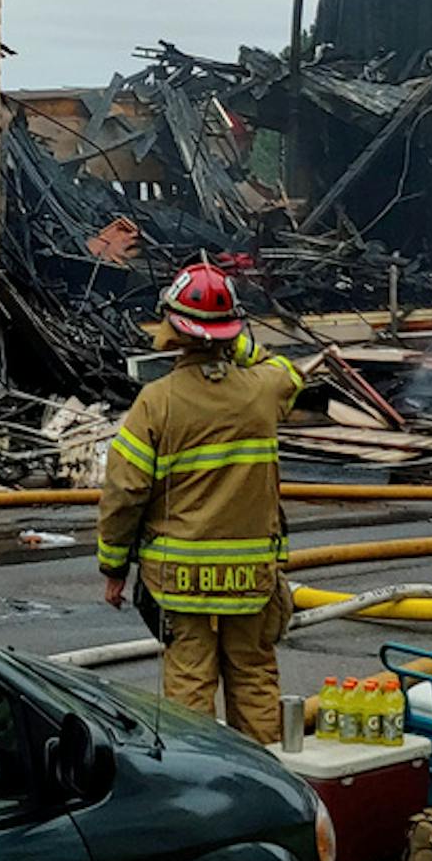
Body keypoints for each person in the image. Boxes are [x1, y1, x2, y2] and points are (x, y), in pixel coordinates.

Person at [96, 261, 303, 743]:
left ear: (175, 328)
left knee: (189, 687)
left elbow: (125, 492)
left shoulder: (156, 401)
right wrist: (236, 343)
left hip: (179, 580)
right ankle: (268, 784)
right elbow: (288, 371)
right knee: (254, 679)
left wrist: (113, 567)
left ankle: (200, 789)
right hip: (251, 578)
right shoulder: (262, 392)